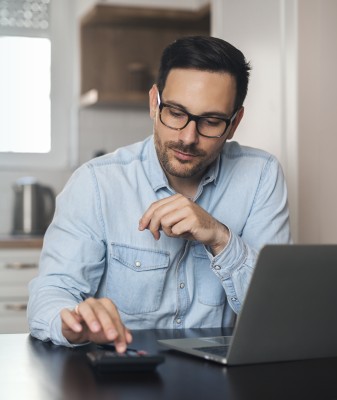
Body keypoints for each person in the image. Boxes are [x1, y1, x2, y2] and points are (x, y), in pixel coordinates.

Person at [28, 36, 291, 353]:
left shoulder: (261, 176)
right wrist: (74, 323)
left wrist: (220, 237)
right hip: (121, 379)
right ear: (154, 103)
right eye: (176, 112)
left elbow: (276, 314)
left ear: (234, 123)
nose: (188, 137)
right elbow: (51, 292)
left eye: (211, 121)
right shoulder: (96, 183)